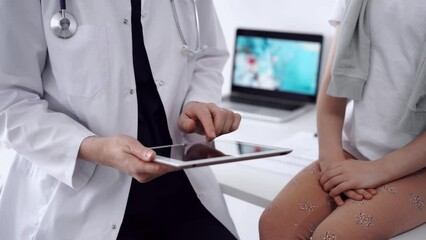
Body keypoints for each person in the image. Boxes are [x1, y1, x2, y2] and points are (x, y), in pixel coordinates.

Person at [0, 0, 242, 239]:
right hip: (82, 199)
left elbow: (208, 55)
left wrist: (197, 101)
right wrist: (94, 147)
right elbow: (11, 100)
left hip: (182, 187)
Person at [259, 0, 426, 239]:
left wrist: (378, 170)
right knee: (275, 224)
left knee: (334, 235)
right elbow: (331, 94)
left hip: (419, 166)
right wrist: (333, 164)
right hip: (356, 152)